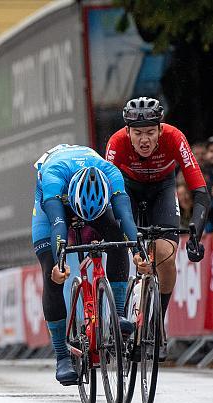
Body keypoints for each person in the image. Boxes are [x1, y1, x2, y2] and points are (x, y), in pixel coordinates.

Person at [106, 97, 210, 361]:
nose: (144, 139)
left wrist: (196, 231)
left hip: (162, 189)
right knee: (131, 246)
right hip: (126, 190)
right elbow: (108, 193)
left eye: (151, 132)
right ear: (127, 131)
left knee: (165, 254)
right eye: (138, 133)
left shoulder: (175, 137)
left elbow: (200, 192)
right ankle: (121, 315)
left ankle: (157, 323)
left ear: (161, 130)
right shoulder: (116, 143)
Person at [32, 144, 141, 385]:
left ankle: (118, 314)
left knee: (117, 239)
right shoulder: (53, 177)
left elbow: (126, 219)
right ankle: (61, 356)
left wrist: (137, 250)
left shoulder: (111, 173)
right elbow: (58, 225)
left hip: (97, 204)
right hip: (55, 207)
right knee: (51, 271)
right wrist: (60, 262)